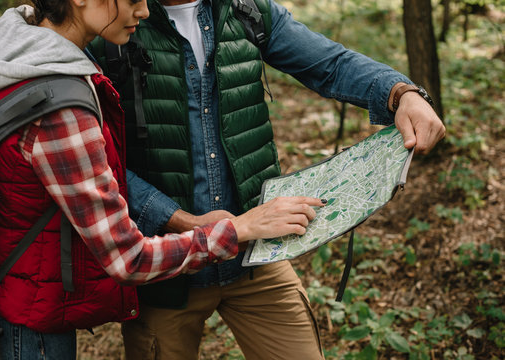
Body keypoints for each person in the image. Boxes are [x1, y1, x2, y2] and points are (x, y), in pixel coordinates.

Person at [88, 0, 446, 359]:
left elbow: (330, 63)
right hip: (166, 271)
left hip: (256, 259)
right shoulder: (113, 19)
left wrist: (401, 94)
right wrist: (184, 221)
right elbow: (96, 161)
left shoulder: (245, 9)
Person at [0, 1, 325, 358]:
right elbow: (128, 258)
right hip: (30, 321)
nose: (144, 10)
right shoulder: (59, 107)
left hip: (11, 287)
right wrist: (240, 229)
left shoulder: (9, 43)